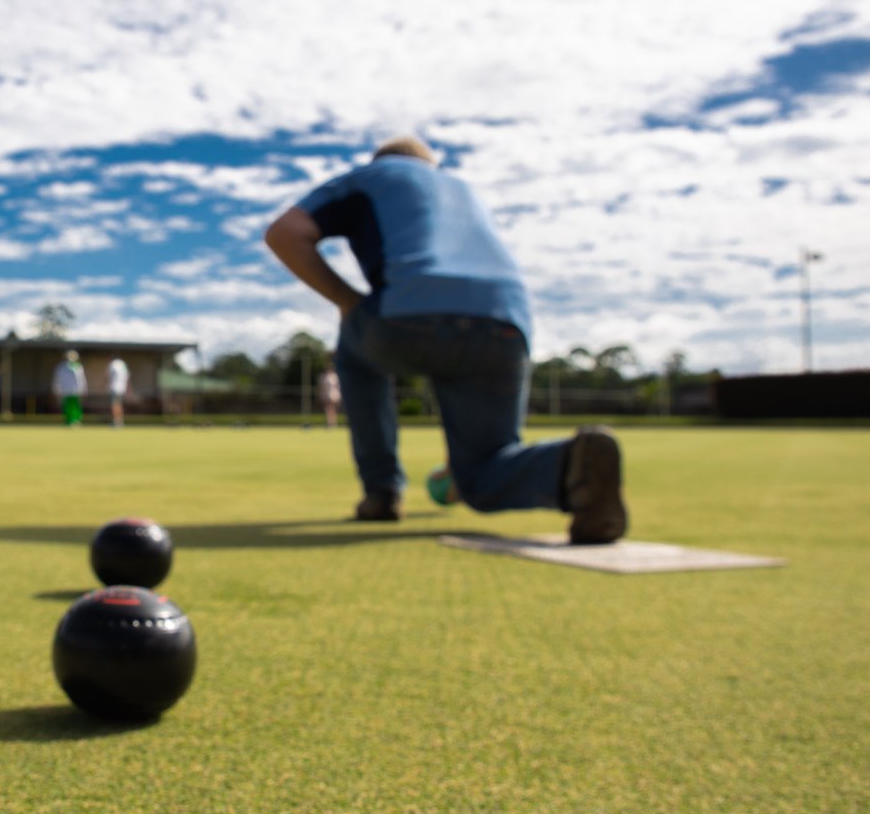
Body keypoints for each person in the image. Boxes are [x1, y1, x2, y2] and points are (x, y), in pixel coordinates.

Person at [263, 136, 627, 543]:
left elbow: (285, 232)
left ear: (381, 161)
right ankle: (571, 461)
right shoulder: (463, 190)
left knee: (353, 352)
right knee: (483, 472)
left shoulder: (369, 177)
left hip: (407, 317)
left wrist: (347, 301)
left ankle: (381, 492)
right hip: (505, 323)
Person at [53, 350, 87, 427]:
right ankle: (69, 421)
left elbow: (81, 379)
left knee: (75, 406)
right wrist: (57, 389)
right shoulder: (61, 367)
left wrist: (83, 389)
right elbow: (57, 379)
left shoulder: (78, 367)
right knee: (67, 406)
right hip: (65, 390)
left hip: (76, 390)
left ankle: (76, 420)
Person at [106, 355, 130, 427]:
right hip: (122, 388)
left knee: (115, 405)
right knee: (119, 405)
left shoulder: (112, 365)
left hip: (114, 388)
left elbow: (108, 376)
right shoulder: (123, 365)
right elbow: (127, 377)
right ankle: (120, 421)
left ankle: (116, 421)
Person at [316, 362, 342, 429]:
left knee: (332, 409)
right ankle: (330, 423)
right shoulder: (322, 376)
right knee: (328, 409)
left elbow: (338, 386)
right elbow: (321, 387)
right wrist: (320, 395)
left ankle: (333, 423)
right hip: (326, 395)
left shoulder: (334, 376)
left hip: (334, 395)